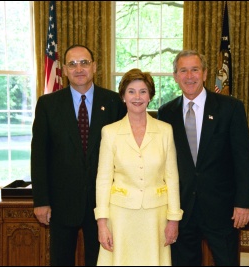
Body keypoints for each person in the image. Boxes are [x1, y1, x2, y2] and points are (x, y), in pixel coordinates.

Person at [31, 44, 127, 266]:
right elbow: (39, 155)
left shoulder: (113, 103)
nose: (79, 68)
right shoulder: (48, 104)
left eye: (84, 62)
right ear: (64, 70)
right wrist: (41, 200)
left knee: (101, 261)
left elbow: (123, 154)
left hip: (104, 203)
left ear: (94, 66)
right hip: (62, 202)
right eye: (72, 64)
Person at [158, 50, 249, 266]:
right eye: (183, 70)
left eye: (195, 69)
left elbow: (244, 159)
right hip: (182, 210)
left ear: (205, 74)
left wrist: (243, 203)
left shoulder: (230, 108)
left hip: (222, 209)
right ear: (175, 76)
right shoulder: (166, 113)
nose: (189, 76)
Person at [94, 68, 183, 266]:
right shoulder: (110, 133)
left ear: (150, 96)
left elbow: (172, 177)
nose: (137, 97)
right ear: (123, 96)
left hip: (156, 217)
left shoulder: (165, 130)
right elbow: (103, 180)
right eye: (131, 91)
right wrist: (102, 223)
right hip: (120, 218)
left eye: (143, 91)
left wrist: (174, 219)